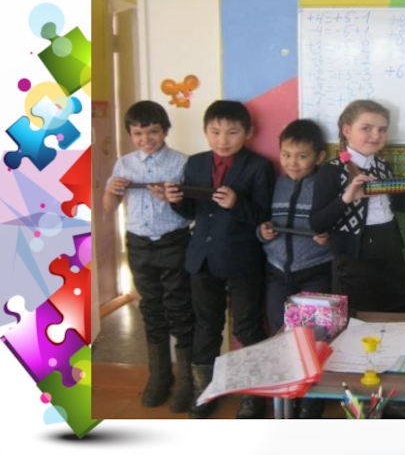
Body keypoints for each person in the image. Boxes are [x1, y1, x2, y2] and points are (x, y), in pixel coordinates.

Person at [165, 100, 275, 419]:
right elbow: (191, 212)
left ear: (248, 133)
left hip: (243, 261)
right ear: (205, 131)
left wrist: (237, 203)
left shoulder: (259, 166)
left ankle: (254, 396)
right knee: (206, 326)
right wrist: (175, 201)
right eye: (215, 132)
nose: (222, 139)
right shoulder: (197, 163)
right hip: (202, 259)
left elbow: (265, 216)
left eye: (232, 132)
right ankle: (205, 391)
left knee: (248, 327)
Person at [309, 99, 405, 316]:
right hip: (354, 260)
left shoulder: (383, 167)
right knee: (361, 322)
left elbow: (401, 204)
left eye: (382, 129)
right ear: (346, 130)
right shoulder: (331, 171)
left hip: (391, 253)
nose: (376, 135)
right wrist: (347, 197)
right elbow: (317, 224)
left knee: (403, 316)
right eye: (366, 128)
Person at [102, 100, 194, 413]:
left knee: (179, 307)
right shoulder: (124, 164)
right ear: (130, 134)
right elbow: (108, 207)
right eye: (138, 133)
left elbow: (190, 210)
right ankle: (159, 375)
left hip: (174, 241)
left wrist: (171, 198)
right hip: (139, 244)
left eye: (153, 131)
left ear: (165, 130)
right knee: (151, 308)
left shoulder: (182, 162)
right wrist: (112, 191)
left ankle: (187, 379)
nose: (146, 139)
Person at [257, 119, 332, 419]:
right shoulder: (275, 183)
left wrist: (328, 236)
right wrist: (262, 232)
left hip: (315, 270)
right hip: (277, 272)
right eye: (286, 154)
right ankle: (288, 396)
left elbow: (339, 223)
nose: (292, 162)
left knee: (314, 338)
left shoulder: (326, 185)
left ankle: (312, 403)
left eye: (302, 156)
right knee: (281, 335)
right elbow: (260, 221)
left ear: (319, 157)